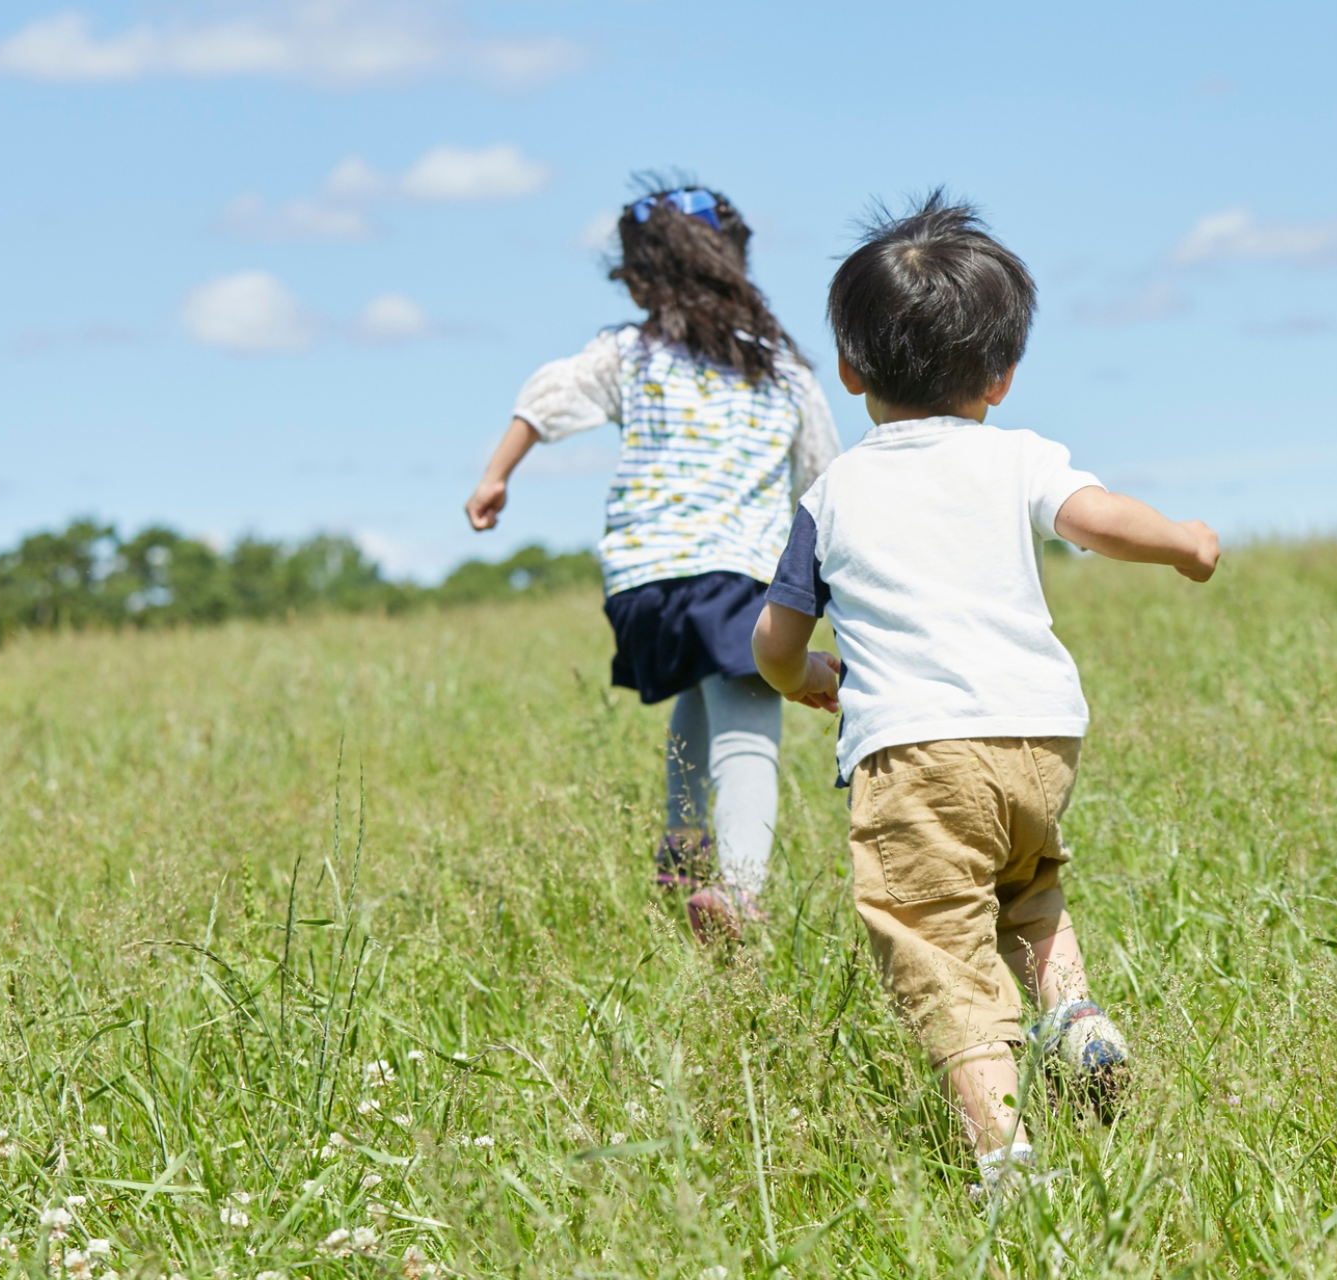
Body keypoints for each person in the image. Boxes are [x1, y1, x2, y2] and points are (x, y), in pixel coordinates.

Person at [751, 193, 1220, 1194]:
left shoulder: (831, 494)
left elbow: (775, 640)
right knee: (1026, 891)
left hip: (915, 751)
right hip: (1038, 742)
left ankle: (1005, 1162)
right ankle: (1075, 1016)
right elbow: (1094, 518)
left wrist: (805, 680)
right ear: (1002, 376)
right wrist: (1181, 539)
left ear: (849, 370)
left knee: (936, 943)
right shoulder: (1018, 456)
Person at [465, 182, 841, 942]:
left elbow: (551, 394)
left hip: (643, 581)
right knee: (748, 723)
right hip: (732, 566)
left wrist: (496, 472)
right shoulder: (781, 372)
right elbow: (827, 480)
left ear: (641, 279)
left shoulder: (630, 354)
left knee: (701, 691)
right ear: (736, 267)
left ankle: (682, 849)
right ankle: (740, 893)